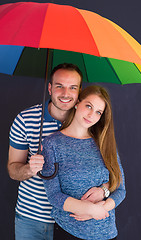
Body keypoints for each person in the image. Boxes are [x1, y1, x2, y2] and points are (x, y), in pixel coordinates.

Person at [7, 63, 109, 240]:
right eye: (59, 86)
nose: (65, 94)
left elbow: (110, 173)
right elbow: (12, 169)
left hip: (73, 221)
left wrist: (104, 190)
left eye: (72, 88)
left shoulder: (89, 125)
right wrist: (29, 169)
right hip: (32, 219)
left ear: (79, 93)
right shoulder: (25, 120)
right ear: (49, 88)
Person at [42, 85, 126, 240]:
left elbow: (120, 189)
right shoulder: (52, 143)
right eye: (88, 106)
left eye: (98, 112)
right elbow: (53, 195)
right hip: (69, 230)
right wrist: (89, 209)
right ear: (77, 103)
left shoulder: (104, 144)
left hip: (106, 233)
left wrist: (102, 207)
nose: (91, 115)